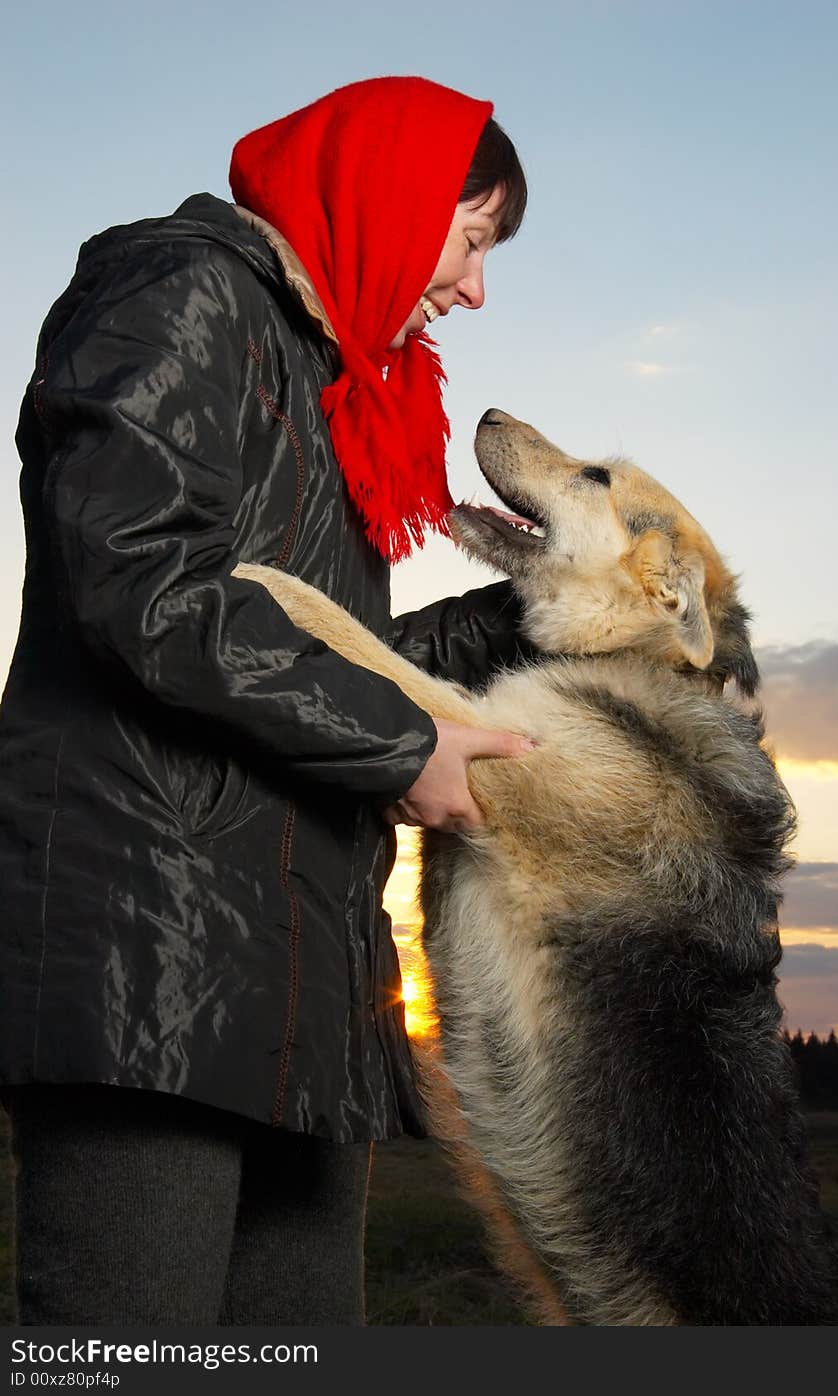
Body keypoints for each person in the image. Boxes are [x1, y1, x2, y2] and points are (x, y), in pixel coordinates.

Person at [0, 76, 532, 1325]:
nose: (473, 291)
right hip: (150, 951)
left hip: (297, 956)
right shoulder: (181, 295)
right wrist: (402, 744)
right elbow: (141, 580)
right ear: (392, 197)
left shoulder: (331, 375)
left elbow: (322, 651)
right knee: (129, 1342)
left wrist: (543, 616)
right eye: (468, 240)